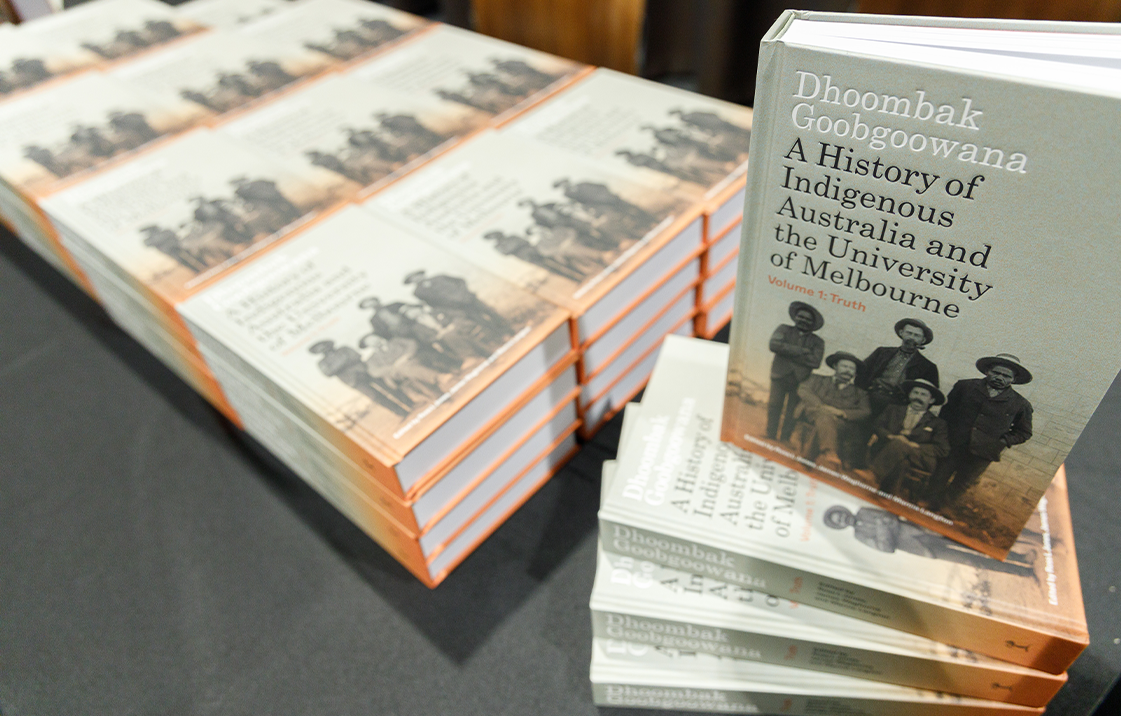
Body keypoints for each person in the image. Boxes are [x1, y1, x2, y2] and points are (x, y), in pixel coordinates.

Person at [927, 354, 1034, 510]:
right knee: (939, 475)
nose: (1000, 377)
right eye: (996, 372)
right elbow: (946, 413)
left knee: (962, 484)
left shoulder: (1020, 404)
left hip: (984, 452)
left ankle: (941, 510)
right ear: (987, 371)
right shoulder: (965, 387)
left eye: (1006, 376)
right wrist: (943, 436)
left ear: (1013, 380)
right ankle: (924, 504)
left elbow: (1024, 432)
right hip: (954, 444)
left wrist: (1002, 441)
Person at [823, 505, 1036, 578]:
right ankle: (1023, 572)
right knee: (971, 561)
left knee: (973, 544)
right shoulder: (859, 536)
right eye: (840, 522)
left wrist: (886, 526)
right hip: (921, 548)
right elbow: (886, 548)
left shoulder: (864, 510)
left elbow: (892, 516)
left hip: (924, 530)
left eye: (840, 515)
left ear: (843, 511)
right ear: (841, 526)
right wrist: (884, 526)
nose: (844, 519)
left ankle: (1020, 557)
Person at [866, 378, 950, 499]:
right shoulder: (893, 409)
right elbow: (877, 426)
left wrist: (913, 445)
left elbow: (943, 449)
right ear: (910, 394)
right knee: (902, 462)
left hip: (919, 457)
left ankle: (873, 475)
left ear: (931, 400)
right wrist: (892, 436)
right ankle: (886, 495)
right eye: (915, 393)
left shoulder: (938, 423)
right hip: (890, 449)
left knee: (900, 446)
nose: (918, 397)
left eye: (923, 395)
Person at [796, 352, 870, 468]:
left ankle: (808, 459)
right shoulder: (817, 379)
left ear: (855, 373)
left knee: (824, 420)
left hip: (838, 422)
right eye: (844, 366)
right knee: (824, 416)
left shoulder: (860, 393)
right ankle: (829, 451)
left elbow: (866, 411)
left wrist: (841, 412)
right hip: (810, 413)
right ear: (835, 366)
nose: (848, 370)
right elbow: (803, 390)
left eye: (851, 369)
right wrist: (821, 406)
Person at [765, 301, 825, 442]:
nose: (803, 321)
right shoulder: (783, 329)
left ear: (813, 324)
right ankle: (770, 435)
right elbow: (774, 345)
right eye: (801, 317)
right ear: (795, 317)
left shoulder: (818, 342)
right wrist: (802, 351)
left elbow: (815, 362)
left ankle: (785, 439)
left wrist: (786, 351)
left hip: (801, 380)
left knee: (793, 412)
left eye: (808, 319)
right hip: (779, 375)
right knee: (774, 405)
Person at [857, 318, 940, 419]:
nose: (911, 337)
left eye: (917, 335)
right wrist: (861, 395)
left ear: (922, 340)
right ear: (901, 333)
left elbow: (930, 396)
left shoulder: (928, 367)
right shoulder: (882, 352)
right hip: (869, 398)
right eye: (909, 333)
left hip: (897, 408)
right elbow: (861, 373)